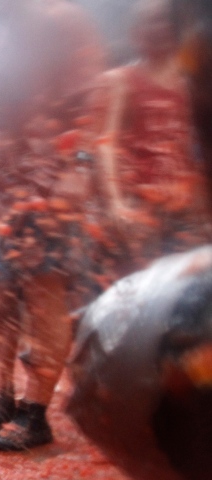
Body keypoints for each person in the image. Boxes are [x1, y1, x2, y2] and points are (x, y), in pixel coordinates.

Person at [0, 0, 105, 452]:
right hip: (1, 190)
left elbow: (91, 103)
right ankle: (0, 398)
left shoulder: (61, 18)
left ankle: (35, 413)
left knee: (43, 295)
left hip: (50, 185)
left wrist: (77, 169)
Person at [92, 0, 210, 275]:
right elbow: (104, 145)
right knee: (140, 293)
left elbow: (195, 149)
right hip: (139, 210)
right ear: (135, 31)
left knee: (185, 290)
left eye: (166, 21)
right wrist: (115, 202)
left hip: (185, 209)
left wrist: (204, 210)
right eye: (151, 21)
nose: (160, 28)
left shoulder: (190, 83)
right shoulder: (121, 80)